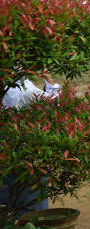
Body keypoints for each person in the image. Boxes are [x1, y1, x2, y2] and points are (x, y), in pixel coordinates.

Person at [1, 72, 60, 212]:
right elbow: (54, 104)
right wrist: (50, 81)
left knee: (6, 203)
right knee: (31, 209)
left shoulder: (9, 86)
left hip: (6, 153)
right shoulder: (24, 90)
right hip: (27, 155)